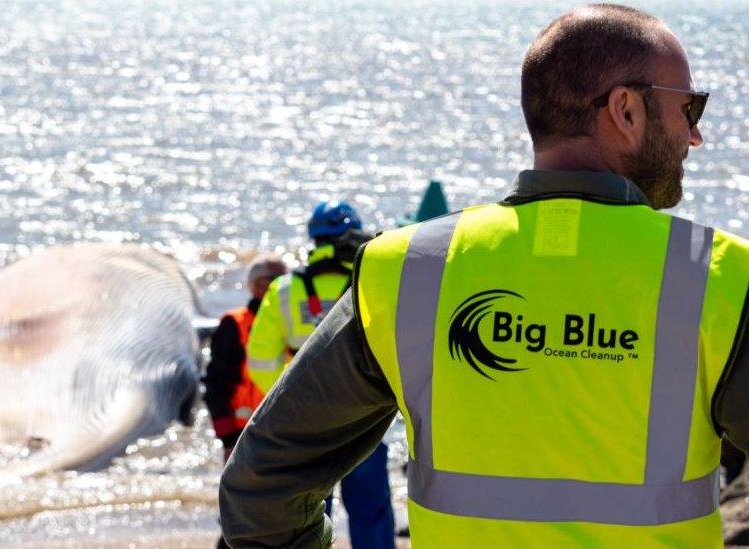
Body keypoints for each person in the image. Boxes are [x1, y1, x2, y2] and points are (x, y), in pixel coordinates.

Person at [220, 4, 749, 548]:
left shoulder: (405, 270)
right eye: (690, 107)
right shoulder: (719, 277)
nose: (694, 134)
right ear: (626, 110)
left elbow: (261, 489)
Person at [245, 201, 396, 549]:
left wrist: (292, 401)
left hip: (303, 423)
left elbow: (259, 362)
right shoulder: (374, 282)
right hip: (366, 416)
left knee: (307, 519)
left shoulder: (283, 290)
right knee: (370, 512)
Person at [204, 254, 287, 462]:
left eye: (284, 279)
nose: (281, 285)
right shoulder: (235, 324)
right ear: (254, 285)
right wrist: (227, 438)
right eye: (272, 279)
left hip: (287, 431)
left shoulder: (294, 323)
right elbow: (216, 384)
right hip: (244, 435)